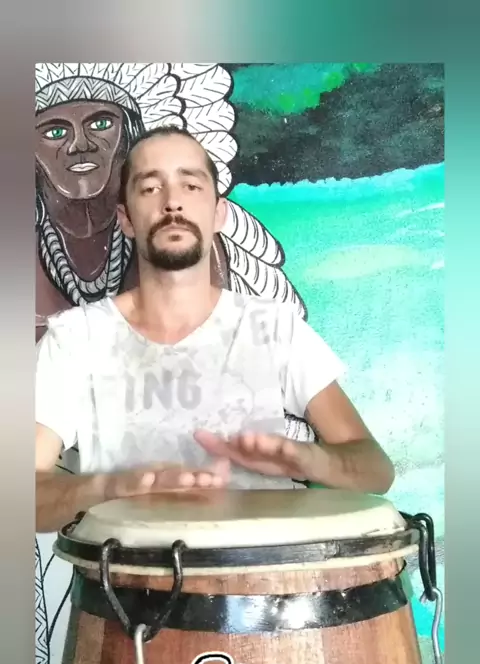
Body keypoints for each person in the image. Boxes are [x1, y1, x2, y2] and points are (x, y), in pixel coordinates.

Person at [35, 126, 395, 534]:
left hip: (267, 569)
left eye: (191, 186)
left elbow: (375, 470)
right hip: (122, 573)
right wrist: (109, 488)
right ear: (126, 219)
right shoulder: (75, 339)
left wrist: (306, 458)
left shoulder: (273, 327)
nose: (172, 202)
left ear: (219, 212)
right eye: (150, 188)